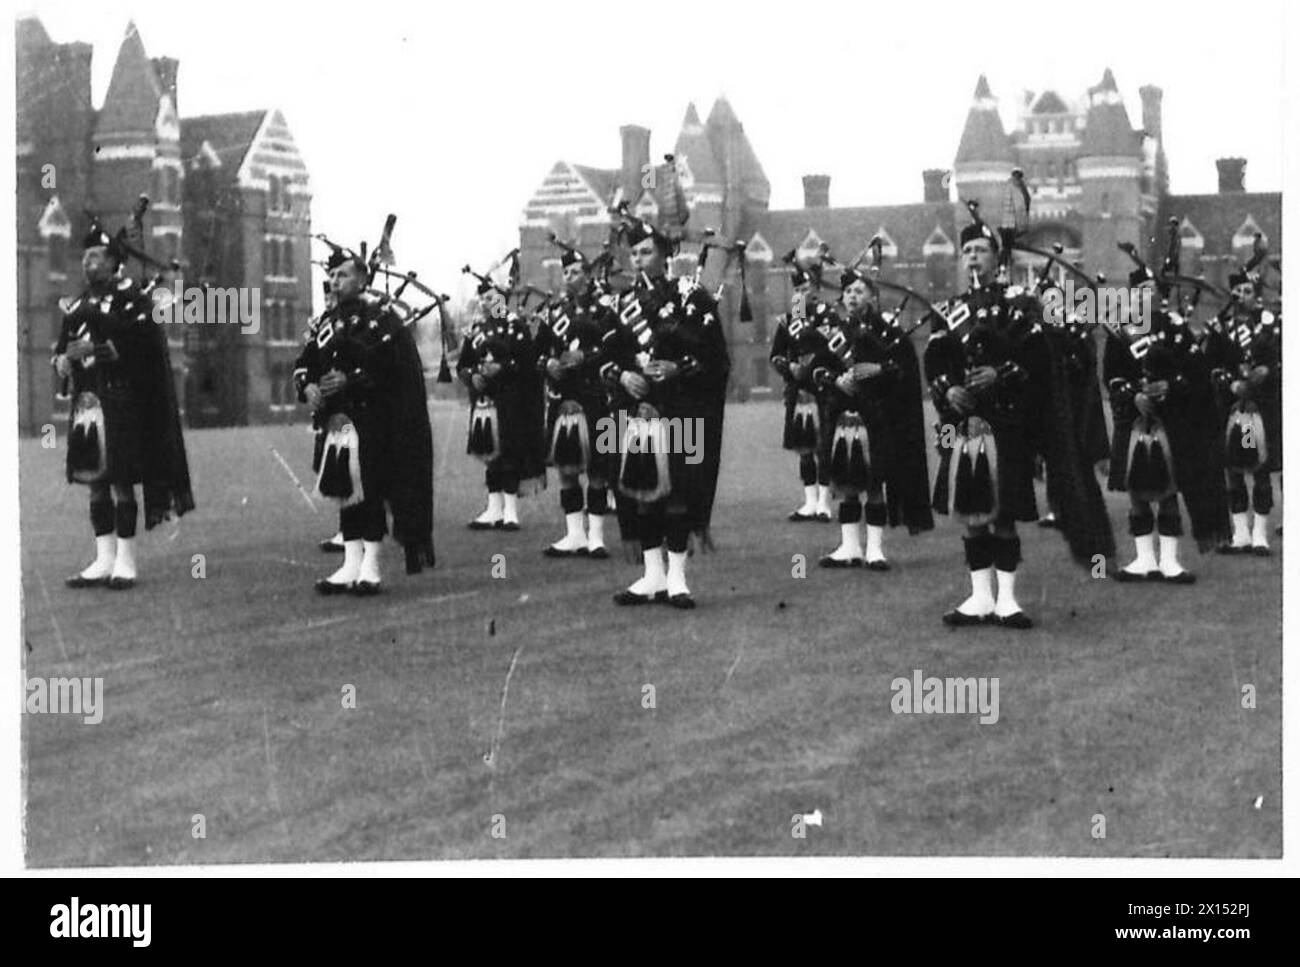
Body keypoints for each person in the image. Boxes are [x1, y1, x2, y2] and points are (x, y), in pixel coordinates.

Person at [926, 213, 1112, 628]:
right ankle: (979, 597)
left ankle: (1007, 599)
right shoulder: (950, 311)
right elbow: (936, 364)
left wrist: (1000, 374)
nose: (973, 257)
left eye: (981, 250)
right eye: (968, 251)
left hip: (1007, 425)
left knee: (1004, 514)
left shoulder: (1021, 303)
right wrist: (947, 391)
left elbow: (1038, 363)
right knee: (973, 515)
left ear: (997, 257)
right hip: (964, 427)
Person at [56, 220, 194, 590]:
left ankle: (126, 560)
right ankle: (103, 558)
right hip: (88, 404)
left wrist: (96, 349)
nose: (89, 263)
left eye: (96, 256)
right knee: (94, 482)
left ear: (115, 261)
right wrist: (64, 361)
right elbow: (60, 350)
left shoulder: (132, 298)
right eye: (85, 256)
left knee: (119, 482)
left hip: (120, 401)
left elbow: (140, 347)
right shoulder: (79, 302)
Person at [602, 215, 729, 609]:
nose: (639, 260)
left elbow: (715, 357)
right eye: (634, 253)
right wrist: (623, 377)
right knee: (642, 493)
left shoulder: (690, 296)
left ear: (665, 254)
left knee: (678, 492)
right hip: (636, 412)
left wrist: (678, 368)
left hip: (683, 411)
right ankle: (651, 575)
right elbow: (605, 360)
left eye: (647, 252)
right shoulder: (620, 304)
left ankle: (677, 578)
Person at [293, 247, 434, 594]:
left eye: (342, 274)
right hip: (338, 423)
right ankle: (350, 564)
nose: (334, 280)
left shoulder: (382, 320)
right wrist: (307, 385)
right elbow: (305, 362)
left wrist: (351, 379)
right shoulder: (325, 322)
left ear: (361, 278)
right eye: (332, 275)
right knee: (346, 492)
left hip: (373, 420)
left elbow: (394, 371)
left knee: (369, 492)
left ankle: (370, 566)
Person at [1103, 260, 1228, 583]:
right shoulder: (1121, 331)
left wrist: (1171, 388)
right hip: (1134, 419)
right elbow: (1112, 375)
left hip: (1171, 419)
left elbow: (1196, 372)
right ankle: (1144, 559)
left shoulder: (1174, 328)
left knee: (1168, 489)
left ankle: (1169, 561)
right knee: (1136, 488)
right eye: (1141, 292)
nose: (1147, 297)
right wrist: (1134, 396)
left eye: (1152, 292)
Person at [817, 267, 933, 568]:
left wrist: (879, 370)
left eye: (859, 291)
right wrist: (835, 380)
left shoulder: (888, 333)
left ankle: (875, 550)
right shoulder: (835, 332)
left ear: (872, 296)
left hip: (877, 419)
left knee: (874, 485)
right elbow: (817, 369)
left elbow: (903, 369)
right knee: (846, 486)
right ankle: (849, 546)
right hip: (844, 418)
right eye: (849, 291)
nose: (853, 296)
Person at [536, 240, 619, 558]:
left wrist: (585, 356)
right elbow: (538, 352)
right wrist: (549, 364)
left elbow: (614, 350)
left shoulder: (606, 311)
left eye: (575, 271)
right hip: (564, 399)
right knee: (566, 469)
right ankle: (574, 534)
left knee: (598, 468)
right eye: (565, 272)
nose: (569, 277)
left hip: (596, 397)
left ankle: (596, 536)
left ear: (587, 275)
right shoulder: (554, 312)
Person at [458, 267, 545, 530]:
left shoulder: (516, 326)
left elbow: (528, 363)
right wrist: (472, 375)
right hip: (485, 402)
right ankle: (493, 508)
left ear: (502, 298)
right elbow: (463, 364)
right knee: (489, 454)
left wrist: (503, 369)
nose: (487, 303)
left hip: (511, 400)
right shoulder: (476, 329)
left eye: (492, 298)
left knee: (509, 453)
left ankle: (510, 510)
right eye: (483, 298)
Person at [1205, 269, 1281, 555]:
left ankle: (1260, 534)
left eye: (1248, 292)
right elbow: (1210, 364)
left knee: (1259, 468)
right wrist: (1230, 382)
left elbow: (1280, 361)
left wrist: (1266, 372)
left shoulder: (1269, 324)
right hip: (1230, 406)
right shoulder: (1219, 327)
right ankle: (1240, 534)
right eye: (1239, 292)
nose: (1243, 297)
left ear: (1256, 294)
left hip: (1260, 408)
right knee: (1233, 470)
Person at [770, 261, 837, 522]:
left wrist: (813, 368)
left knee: (824, 447)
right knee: (805, 447)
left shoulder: (829, 316)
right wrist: (790, 367)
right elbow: (776, 355)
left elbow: (834, 354)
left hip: (824, 390)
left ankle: (824, 502)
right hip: (800, 393)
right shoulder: (790, 319)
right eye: (797, 287)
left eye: (805, 286)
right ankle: (809, 502)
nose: (801, 292)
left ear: (816, 288)